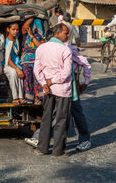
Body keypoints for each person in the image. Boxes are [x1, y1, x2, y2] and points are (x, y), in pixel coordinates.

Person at [34, 23, 73, 156]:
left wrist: (44, 83)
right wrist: (50, 81)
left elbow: (37, 70)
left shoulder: (41, 48)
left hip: (48, 90)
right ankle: (58, 150)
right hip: (62, 90)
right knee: (62, 120)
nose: (67, 36)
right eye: (65, 33)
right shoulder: (65, 50)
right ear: (57, 34)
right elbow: (66, 73)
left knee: (46, 118)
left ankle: (42, 148)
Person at [20, 18, 45, 104]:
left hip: (38, 60)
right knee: (27, 77)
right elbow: (25, 26)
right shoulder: (25, 34)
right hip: (26, 61)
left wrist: (32, 37)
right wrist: (33, 15)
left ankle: (38, 97)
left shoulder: (42, 37)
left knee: (37, 77)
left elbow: (40, 46)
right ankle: (29, 98)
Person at [3, 22, 27, 105]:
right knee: (14, 73)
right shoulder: (5, 41)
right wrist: (17, 69)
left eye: (17, 30)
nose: (15, 31)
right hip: (7, 64)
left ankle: (21, 97)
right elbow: (8, 60)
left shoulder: (17, 39)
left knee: (21, 72)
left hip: (17, 63)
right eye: (13, 29)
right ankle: (15, 97)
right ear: (8, 29)